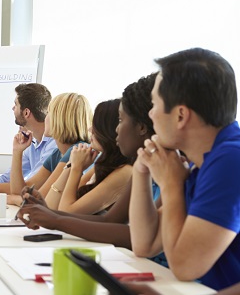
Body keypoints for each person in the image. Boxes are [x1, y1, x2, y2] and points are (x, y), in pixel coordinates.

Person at [129, 48, 240, 290]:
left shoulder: (231, 160)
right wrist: (141, 170)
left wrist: (170, 185)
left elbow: (185, 266)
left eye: (154, 104)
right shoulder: (203, 163)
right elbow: (144, 244)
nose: (150, 114)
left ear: (180, 115)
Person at [17, 73, 158, 249]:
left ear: (142, 127)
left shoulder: (132, 170)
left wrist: (54, 218)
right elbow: (110, 220)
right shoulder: (140, 166)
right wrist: (49, 214)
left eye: (121, 121)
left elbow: (136, 235)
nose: (116, 129)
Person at [43, 99, 132, 214]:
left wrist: (77, 168)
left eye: (96, 125)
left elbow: (67, 213)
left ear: (110, 130)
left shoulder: (125, 171)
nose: (90, 129)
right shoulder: (103, 163)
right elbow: (50, 205)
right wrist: (70, 166)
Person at [9, 92, 92, 205]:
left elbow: (40, 202)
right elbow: (19, 191)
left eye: (48, 113)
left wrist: (9, 199)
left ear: (59, 119)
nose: (45, 118)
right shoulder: (58, 153)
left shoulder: (77, 150)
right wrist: (17, 151)